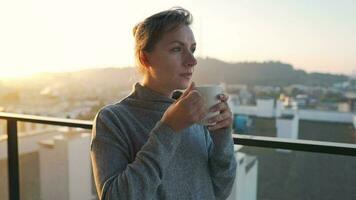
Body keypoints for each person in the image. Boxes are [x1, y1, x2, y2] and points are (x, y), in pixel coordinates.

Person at [90, 7, 237, 200]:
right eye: (177, 49)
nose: (192, 61)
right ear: (145, 58)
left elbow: (221, 190)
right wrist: (169, 129)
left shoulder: (193, 113)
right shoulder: (113, 119)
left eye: (192, 49)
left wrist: (222, 136)